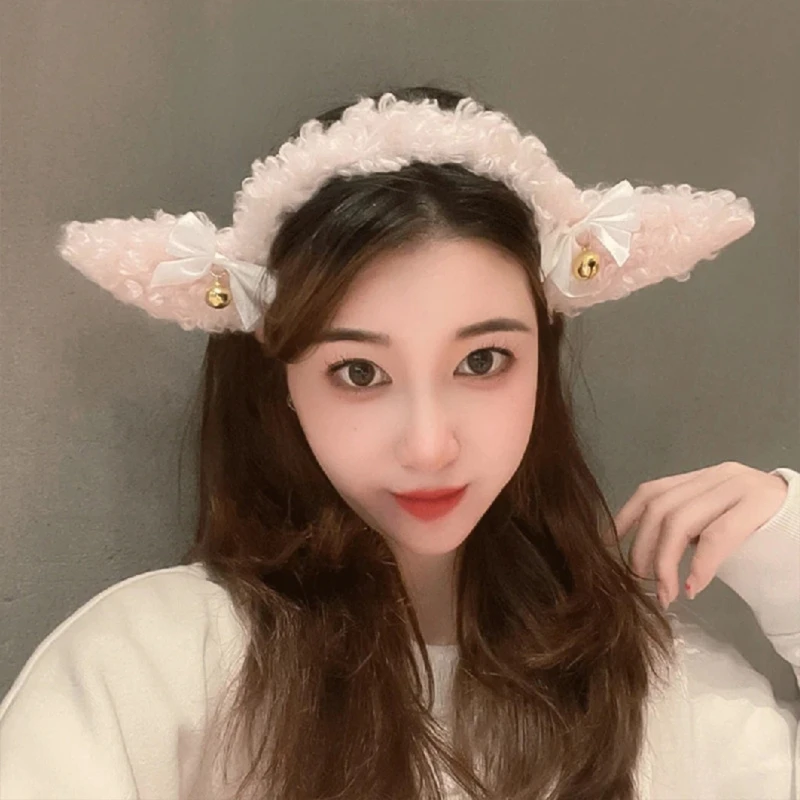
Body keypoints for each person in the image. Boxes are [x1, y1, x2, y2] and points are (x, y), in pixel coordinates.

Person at [0, 85, 797, 800]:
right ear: (281, 384)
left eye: (482, 362)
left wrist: (789, 557)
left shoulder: (664, 688)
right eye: (359, 372)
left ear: (542, 360)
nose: (427, 446)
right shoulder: (148, 666)